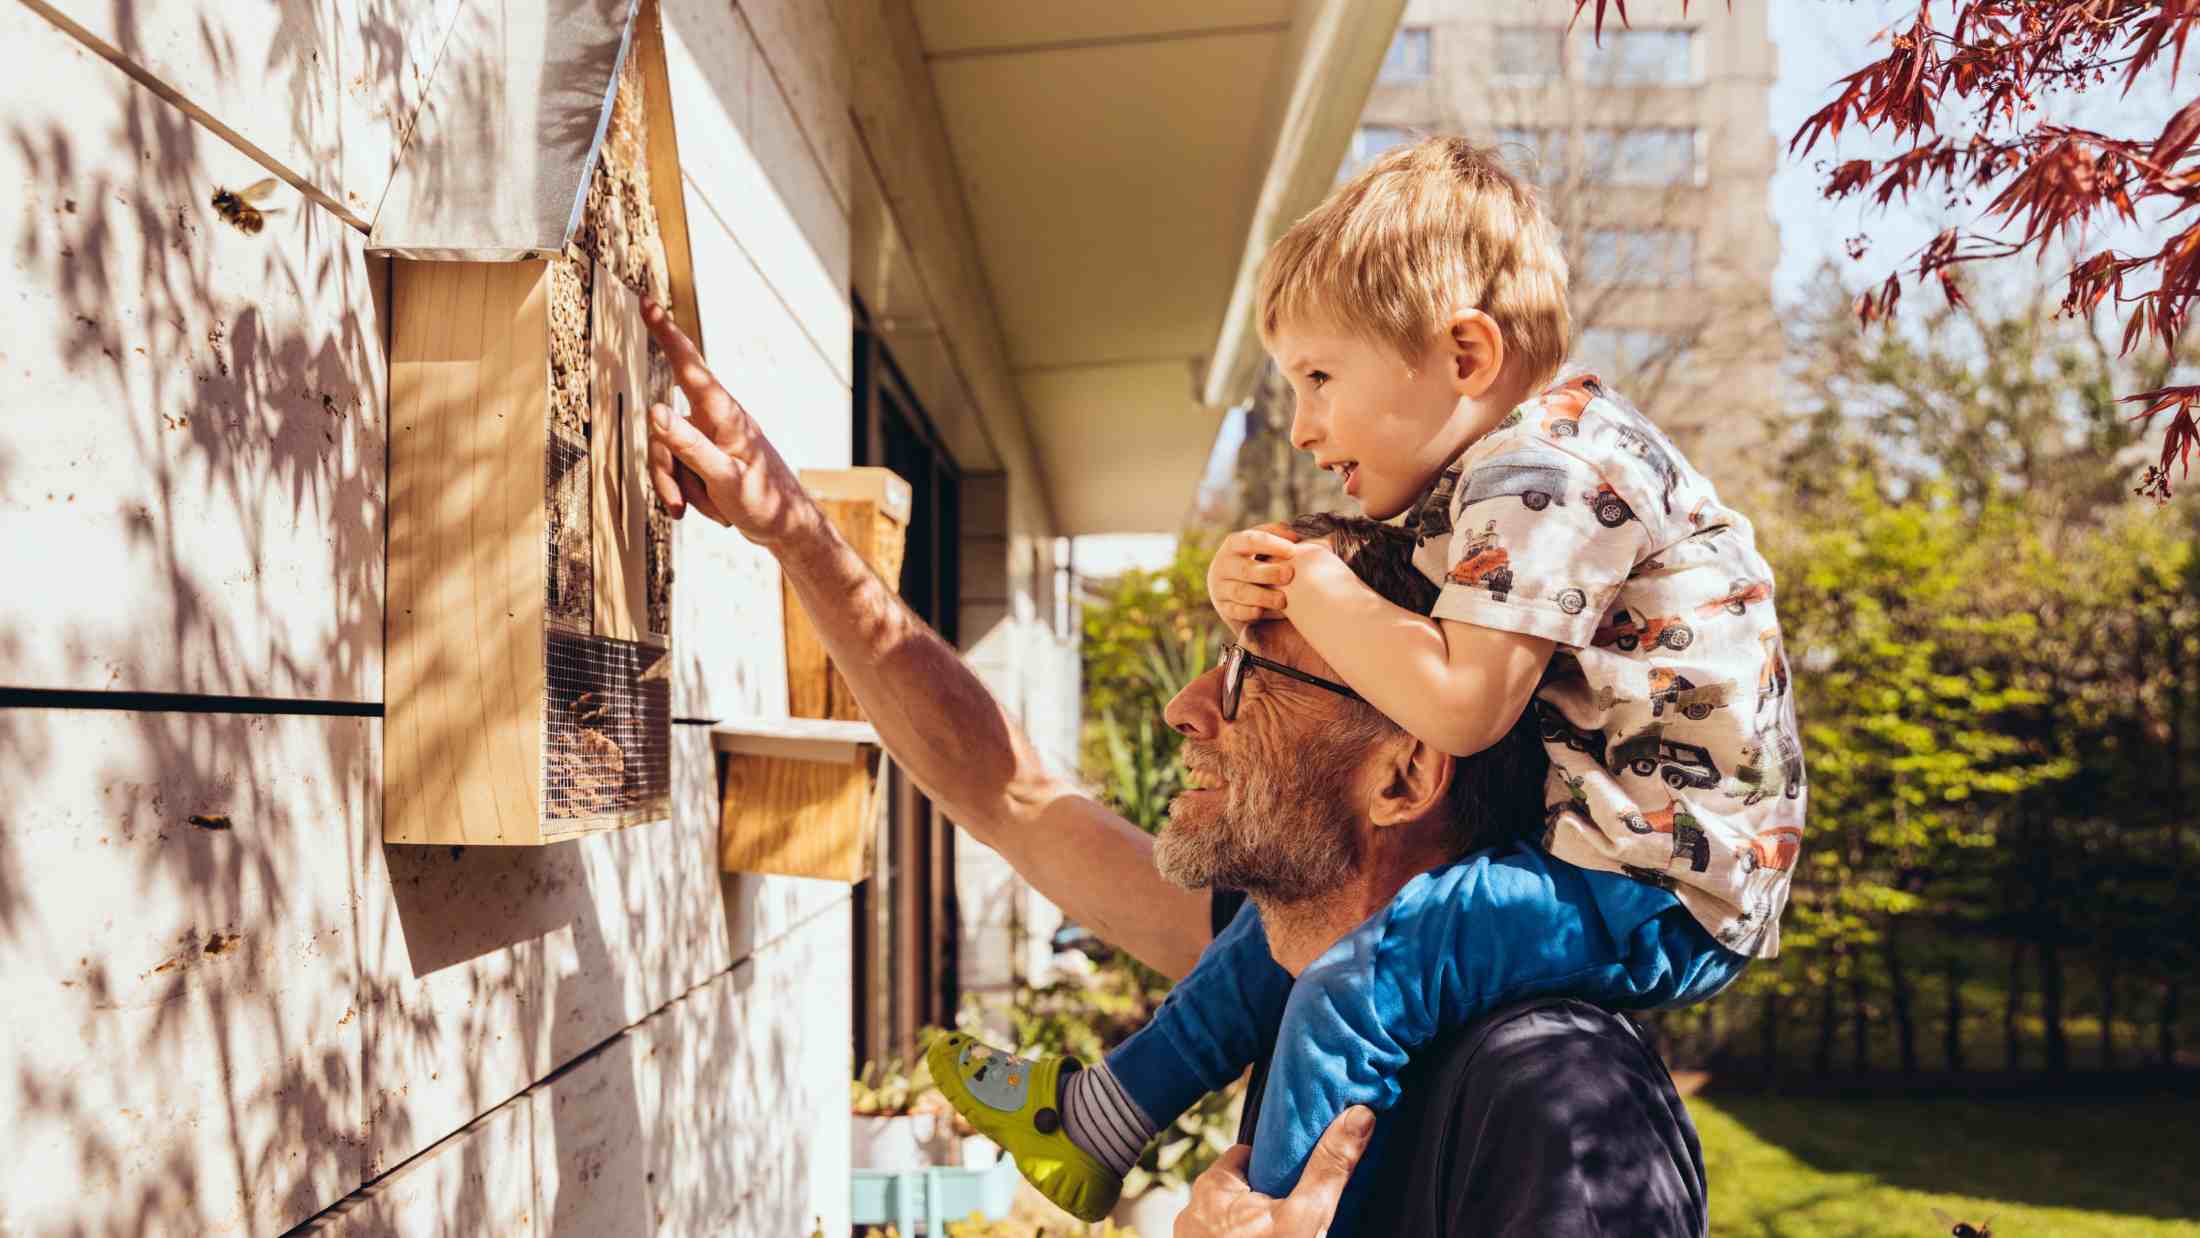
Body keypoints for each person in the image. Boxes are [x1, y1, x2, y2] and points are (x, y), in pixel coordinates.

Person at [638, 300, 1710, 1235]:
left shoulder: (1560, 1097)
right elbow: (1006, 790)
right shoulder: (1279, 949)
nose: (1184, 707)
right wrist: (796, 534)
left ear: (1402, 774)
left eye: (1247, 680)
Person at [928, 136, 1804, 1230]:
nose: (1301, 423)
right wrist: (1253, 580)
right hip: (1596, 849)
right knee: (1280, 924)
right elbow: (1373, 642)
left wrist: (1310, 583)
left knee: (1353, 977)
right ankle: (1105, 1112)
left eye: (1319, 377)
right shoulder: (1490, 484)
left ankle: (1285, 1210)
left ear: (1465, 356)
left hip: (1652, 889)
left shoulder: (1551, 472)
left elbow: (1460, 705)